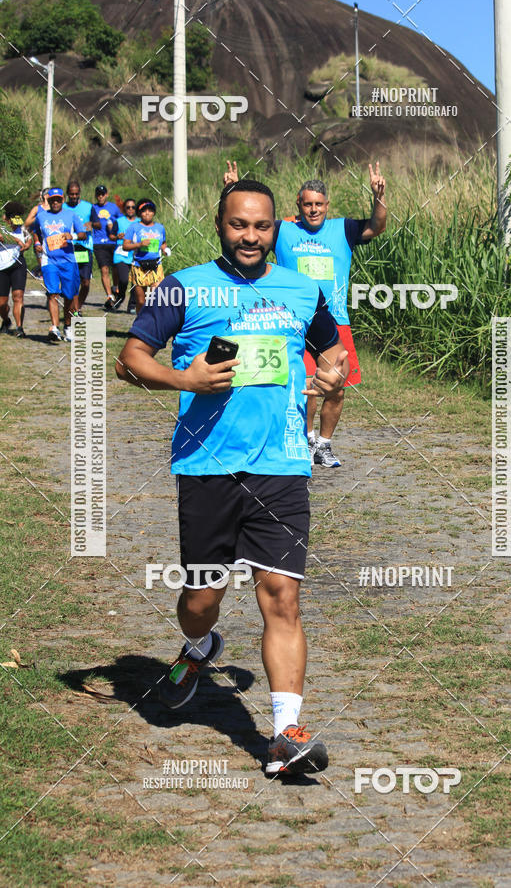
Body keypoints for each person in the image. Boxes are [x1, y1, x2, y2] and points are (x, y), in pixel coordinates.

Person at [116, 179, 349, 775]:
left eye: (262, 226)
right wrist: (184, 380)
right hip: (207, 468)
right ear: (220, 224)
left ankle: (284, 735)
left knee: (283, 597)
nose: (251, 236)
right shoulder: (183, 287)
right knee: (202, 598)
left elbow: (332, 354)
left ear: (277, 228)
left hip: (282, 466)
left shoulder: (303, 290)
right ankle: (200, 646)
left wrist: (329, 376)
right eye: (239, 224)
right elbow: (131, 361)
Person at [224, 160, 386, 467]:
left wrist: (378, 196)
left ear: (327, 205)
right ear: (298, 205)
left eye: (319, 204)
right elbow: (245, 228)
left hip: (335, 320)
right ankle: (304, 440)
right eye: (307, 204)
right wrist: (232, 189)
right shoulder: (282, 229)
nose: (313, 210)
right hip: (292, 321)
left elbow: (377, 226)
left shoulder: (344, 228)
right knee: (305, 384)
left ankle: (324, 445)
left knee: (335, 387)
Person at [33, 187, 86, 342]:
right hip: (49, 261)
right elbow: (35, 231)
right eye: (52, 200)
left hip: (68, 261)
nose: (55, 202)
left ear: (62, 200)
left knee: (69, 296)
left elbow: (83, 234)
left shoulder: (71, 215)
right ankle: (54, 328)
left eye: (58, 199)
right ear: (48, 201)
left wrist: (73, 235)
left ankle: (68, 326)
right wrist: (37, 242)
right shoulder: (41, 216)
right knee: (53, 293)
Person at [122, 198, 167, 314]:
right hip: (139, 267)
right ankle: (141, 324)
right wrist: (139, 244)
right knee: (141, 302)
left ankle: (153, 326)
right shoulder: (133, 227)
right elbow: (125, 246)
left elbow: (163, 243)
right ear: (139, 213)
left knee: (155, 298)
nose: (147, 213)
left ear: (154, 212)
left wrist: (165, 250)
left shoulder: (160, 228)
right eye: (144, 210)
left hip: (156, 266)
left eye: (150, 210)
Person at [0, 202, 31, 338]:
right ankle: (6, 321)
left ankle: (19, 328)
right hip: (2, 267)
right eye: (13, 220)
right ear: (5, 218)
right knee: (2, 303)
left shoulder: (22, 228)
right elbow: (2, 237)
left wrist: (27, 245)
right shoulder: (2, 228)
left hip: (18, 265)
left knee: (18, 296)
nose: (15, 224)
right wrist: (18, 242)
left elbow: (29, 238)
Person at [90, 185, 120, 310]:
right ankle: (109, 296)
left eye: (102, 194)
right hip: (99, 243)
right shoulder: (93, 208)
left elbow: (121, 222)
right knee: (104, 269)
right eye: (98, 194)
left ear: (107, 194)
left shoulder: (114, 208)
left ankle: (116, 288)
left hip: (113, 242)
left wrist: (113, 228)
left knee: (116, 269)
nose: (100, 196)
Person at [65, 180, 93, 309]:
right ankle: (75, 309)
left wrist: (92, 224)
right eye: (71, 194)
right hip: (69, 249)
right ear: (67, 194)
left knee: (85, 283)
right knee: (72, 281)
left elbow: (98, 224)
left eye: (76, 194)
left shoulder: (88, 207)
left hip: (84, 248)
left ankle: (78, 306)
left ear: (79, 193)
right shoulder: (63, 208)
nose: (74, 197)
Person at [112, 198, 138, 310]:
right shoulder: (119, 221)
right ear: (124, 209)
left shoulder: (140, 222)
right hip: (121, 253)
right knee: (123, 279)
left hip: (135, 254)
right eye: (128, 207)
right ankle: (120, 296)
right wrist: (117, 237)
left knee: (135, 281)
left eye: (133, 207)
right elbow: (111, 236)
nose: (130, 209)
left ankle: (132, 305)